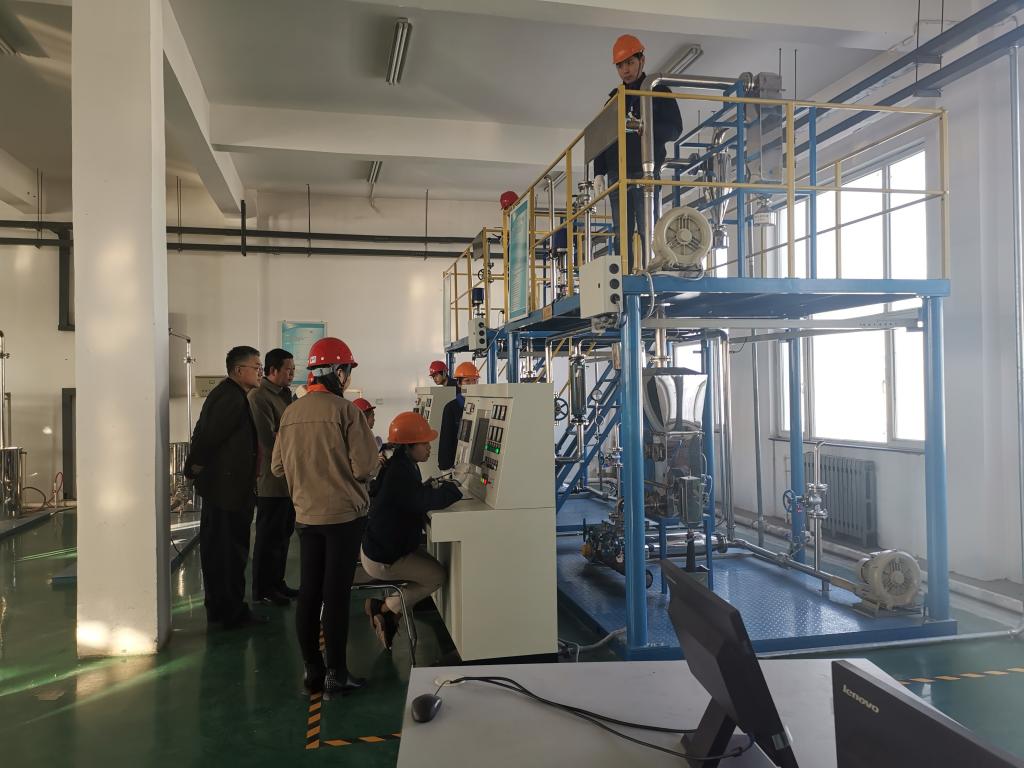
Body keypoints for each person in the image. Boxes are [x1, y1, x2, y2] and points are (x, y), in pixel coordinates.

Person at [271, 337, 379, 697]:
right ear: (338, 372)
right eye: (347, 371)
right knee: (335, 596)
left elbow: (276, 467)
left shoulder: (290, 413)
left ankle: (312, 671)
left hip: (307, 516)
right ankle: (337, 672)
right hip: (344, 517)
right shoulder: (346, 412)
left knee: (309, 593)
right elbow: (365, 467)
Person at [360, 412, 462, 650]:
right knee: (437, 576)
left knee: (434, 565)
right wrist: (454, 488)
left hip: (380, 546)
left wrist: (427, 487)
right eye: (424, 443)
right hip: (384, 558)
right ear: (409, 446)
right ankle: (384, 608)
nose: (429, 448)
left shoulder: (400, 465)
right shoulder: (400, 472)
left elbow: (412, 496)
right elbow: (423, 500)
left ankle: (388, 614)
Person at [186, 346, 264, 629]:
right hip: (226, 493)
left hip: (230, 491)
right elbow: (208, 436)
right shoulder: (229, 398)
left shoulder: (233, 395)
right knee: (226, 555)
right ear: (239, 370)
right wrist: (194, 467)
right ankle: (229, 614)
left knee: (229, 553)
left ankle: (227, 611)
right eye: (256, 367)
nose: (260, 372)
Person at [593, 33, 682, 273]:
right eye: (620, 65)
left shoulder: (658, 92)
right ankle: (624, 277)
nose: (625, 70)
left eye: (630, 63)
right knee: (621, 232)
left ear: (642, 61)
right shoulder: (614, 100)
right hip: (617, 174)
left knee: (648, 228)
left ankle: (652, 273)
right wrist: (599, 171)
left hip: (646, 171)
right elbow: (603, 137)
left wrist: (645, 126)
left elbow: (675, 129)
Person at [248, 348, 298, 607]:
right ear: (273, 370)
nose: (292, 374)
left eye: (293, 369)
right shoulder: (259, 397)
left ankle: (277, 583)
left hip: (289, 479)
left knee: (283, 534)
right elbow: (267, 441)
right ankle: (263, 589)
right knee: (268, 538)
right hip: (270, 480)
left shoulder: (286, 396)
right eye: (288, 369)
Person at [436, 361, 480, 471]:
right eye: (467, 381)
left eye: (474, 380)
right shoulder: (451, 408)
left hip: (475, 464)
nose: (472, 384)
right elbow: (446, 440)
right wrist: (445, 467)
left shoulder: (481, 406)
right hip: (456, 466)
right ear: (459, 383)